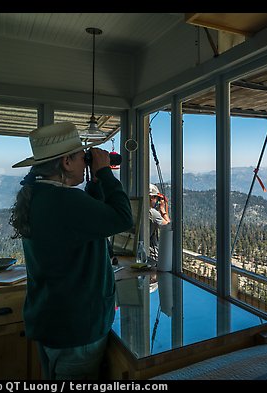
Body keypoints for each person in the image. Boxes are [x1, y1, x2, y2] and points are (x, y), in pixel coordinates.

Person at [9, 122, 133, 380]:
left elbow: (87, 220)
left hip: (50, 321)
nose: (84, 162)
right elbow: (123, 218)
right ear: (66, 162)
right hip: (77, 328)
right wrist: (106, 173)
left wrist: (96, 181)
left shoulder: (38, 195)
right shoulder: (65, 201)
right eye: (81, 157)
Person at [148, 183, 170, 263]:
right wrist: (163, 210)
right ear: (151, 198)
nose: (157, 201)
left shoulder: (144, 210)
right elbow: (168, 227)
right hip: (151, 256)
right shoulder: (153, 213)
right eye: (156, 198)